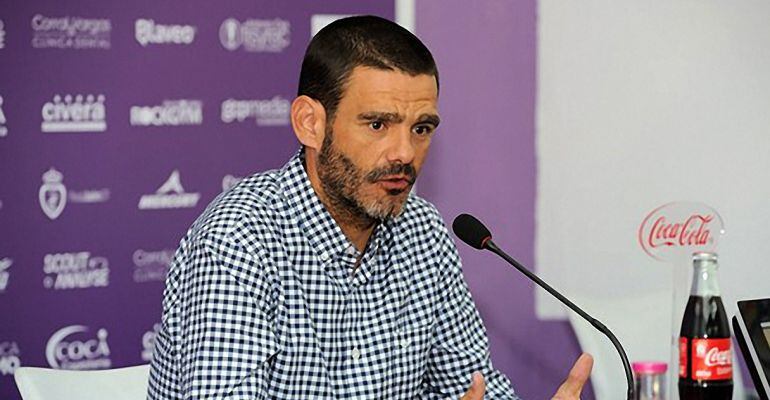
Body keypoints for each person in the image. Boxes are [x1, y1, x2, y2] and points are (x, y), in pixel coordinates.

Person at [147, 15, 592, 400]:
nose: (404, 152)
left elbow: (471, 384)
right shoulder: (240, 240)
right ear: (310, 123)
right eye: (378, 124)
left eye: (421, 128)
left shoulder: (425, 232)